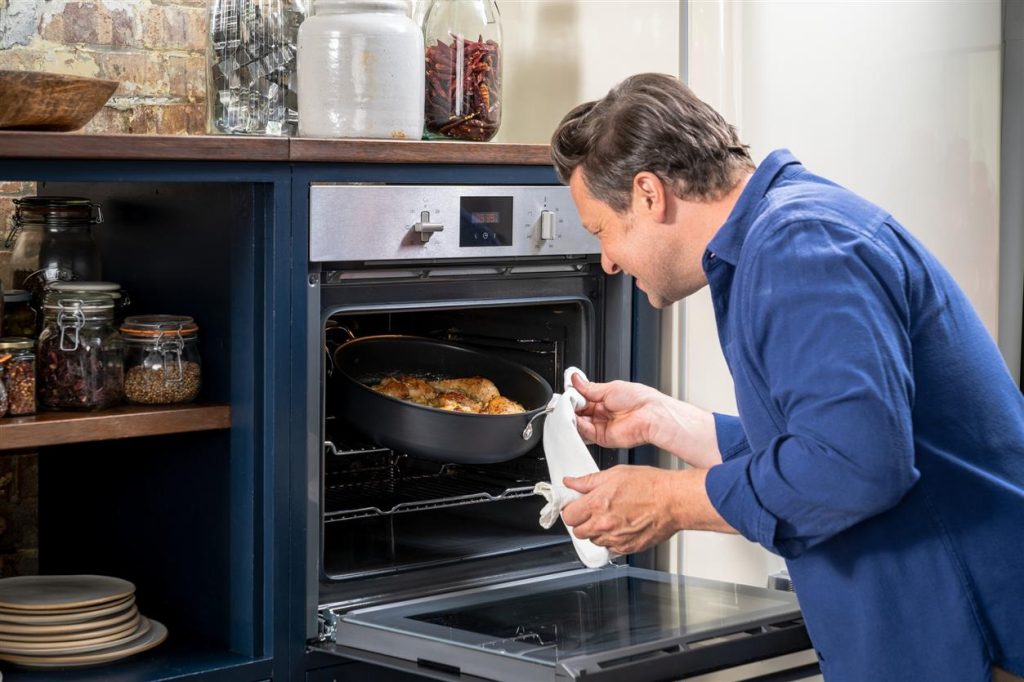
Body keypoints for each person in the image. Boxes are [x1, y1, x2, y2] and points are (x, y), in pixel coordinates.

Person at [551, 73, 1024, 682]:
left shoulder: (799, 246)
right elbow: (826, 441)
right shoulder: (785, 231)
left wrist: (668, 500)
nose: (608, 261)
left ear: (648, 194)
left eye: (601, 231)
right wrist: (666, 422)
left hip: (973, 640)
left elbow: (853, 467)